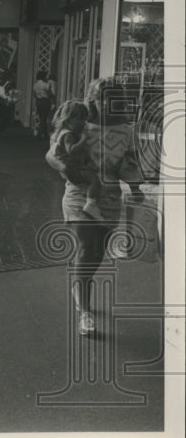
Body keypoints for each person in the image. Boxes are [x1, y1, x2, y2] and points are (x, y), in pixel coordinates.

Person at [56, 77, 144, 336]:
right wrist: (65, 166)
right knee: (87, 248)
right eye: (98, 96)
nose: (103, 101)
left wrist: (136, 188)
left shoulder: (127, 130)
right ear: (90, 98)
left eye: (109, 97)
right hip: (78, 196)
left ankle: (80, 283)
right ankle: (85, 311)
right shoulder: (79, 124)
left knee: (96, 253)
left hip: (110, 199)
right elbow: (53, 154)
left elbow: (131, 162)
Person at [48, 99, 104, 221]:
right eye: (81, 119)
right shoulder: (69, 134)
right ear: (69, 120)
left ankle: (91, 204)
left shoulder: (66, 132)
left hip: (75, 169)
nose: (84, 123)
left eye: (85, 119)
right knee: (95, 181)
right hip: (74, 172)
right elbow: (71, 151)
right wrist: (83, 140)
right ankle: (91, 205)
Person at [32, 70, 56, 141]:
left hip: (38, 101)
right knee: (44, 118)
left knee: (42, 117)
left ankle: (45, 134)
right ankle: (39, 134)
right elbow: (50, 94)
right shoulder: (45, 85)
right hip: (45, 101)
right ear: (43, 77)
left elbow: (34, 95)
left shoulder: (35, 85)